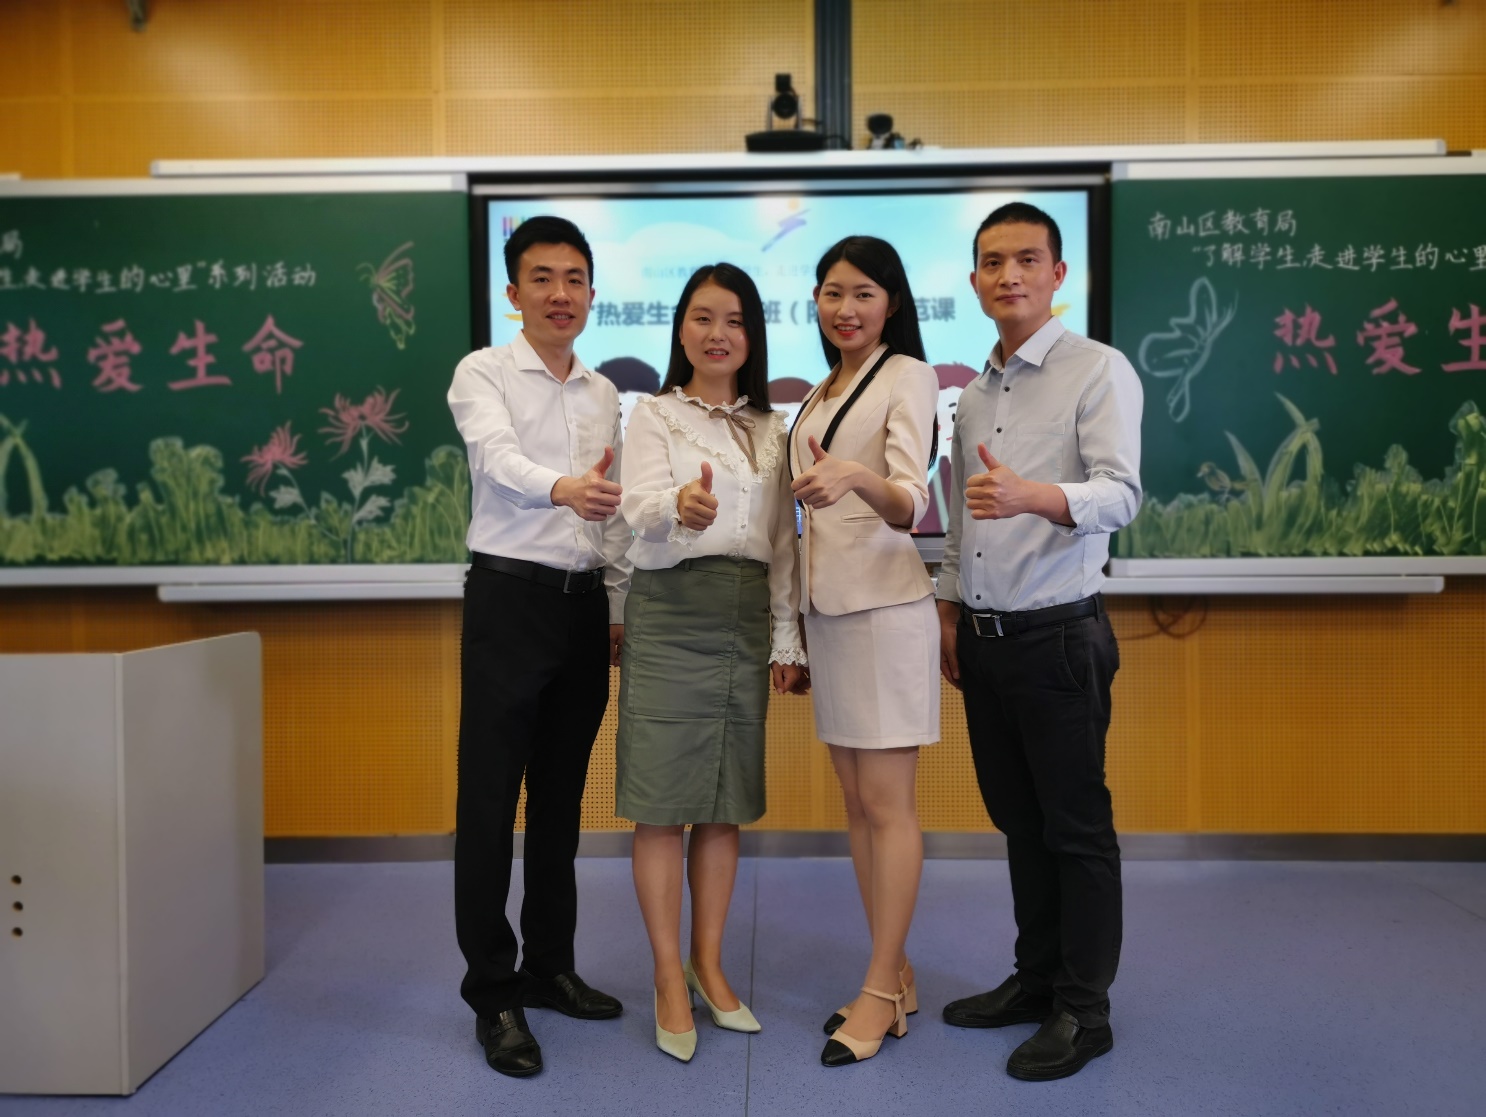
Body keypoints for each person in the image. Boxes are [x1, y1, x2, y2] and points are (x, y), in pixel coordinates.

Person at [937, 201, 1143, 1081]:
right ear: (975, 279)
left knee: (1076, 828)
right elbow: (959, 514)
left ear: (1059, 274)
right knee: (1020, 823)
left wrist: (1038, 496)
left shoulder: (1097, 369)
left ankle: (1084, 1010)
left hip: (1058, 635)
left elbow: (1122, 492)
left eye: (1027, 259)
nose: (1009, 274)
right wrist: (950, 608)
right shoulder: (974, 393)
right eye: (993, 261)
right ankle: (1037, 980)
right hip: (985, 640)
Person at [447, 216, 631, 1078]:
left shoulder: (604, 392)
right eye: (543, 278)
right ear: (513, 291)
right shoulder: (483, 371)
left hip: (582, 608)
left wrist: (617, 602)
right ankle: (493, 993)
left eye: (576, 279)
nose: (562, 294)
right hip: (508, 600)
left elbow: (613, 508)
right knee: (489, 805)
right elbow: (495, 459)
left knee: (560, 801)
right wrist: (562, 488)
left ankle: (549, 966)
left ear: (592, 292)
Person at [615, 263, 807, 1062]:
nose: (717, 333)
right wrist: (678, 507)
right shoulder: (653, 414)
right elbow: (636, 507)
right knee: (662, 805)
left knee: (724, 803)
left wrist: (787, 635)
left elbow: (785, 541)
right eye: (702, 317)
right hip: (670, 612)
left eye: (734, 319)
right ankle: (668, 974)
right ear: (681, 329)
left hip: (744, 616)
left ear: (752, 335)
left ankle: (709, 963)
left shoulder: (775, 428)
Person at [787, 236, 940, 1068]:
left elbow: (912, 500)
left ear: (892, 303)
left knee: (888, 806)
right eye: (832, 293)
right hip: (832, 613)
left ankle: (879, 991)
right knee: (856, 803)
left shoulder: (907, 374)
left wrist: (855, 478)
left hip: (885, 610)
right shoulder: (824, 387)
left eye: (864, 294)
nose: (845, 309)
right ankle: (898, 972)